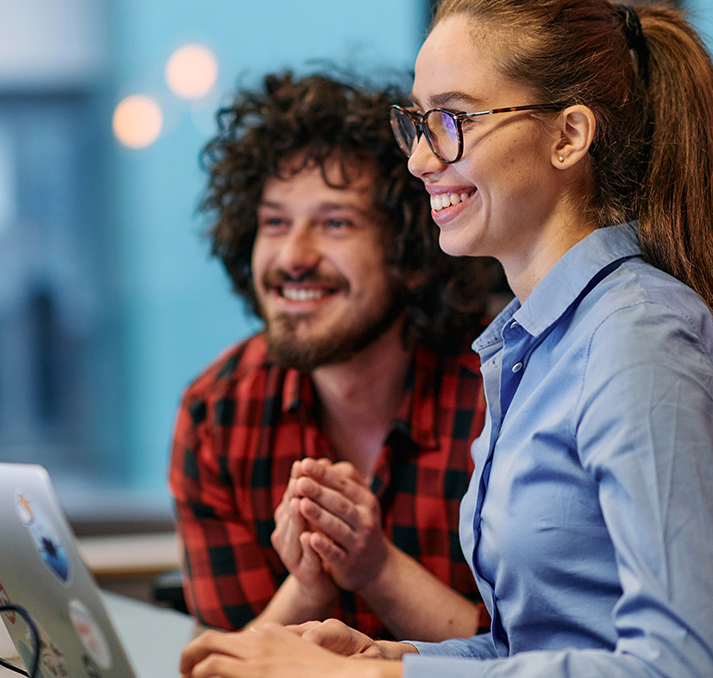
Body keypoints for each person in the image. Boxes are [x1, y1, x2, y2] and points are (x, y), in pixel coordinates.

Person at [178, 0, 713, 678]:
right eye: (416, 122)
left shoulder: (639, 340)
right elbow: (532, 650)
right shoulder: (533, 347)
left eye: (452, 121)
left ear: (568, 137)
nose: (418, 159)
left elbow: (676, 668)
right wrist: (393, 654)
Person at [169, 70, 497, 642]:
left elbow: (537, 656)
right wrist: (309, 588)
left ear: (412, 251)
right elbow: (224, 659)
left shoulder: (505, 391)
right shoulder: (217, 414)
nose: (293, 257)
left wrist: (376, 568)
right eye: (274, 223)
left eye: (335, 223)